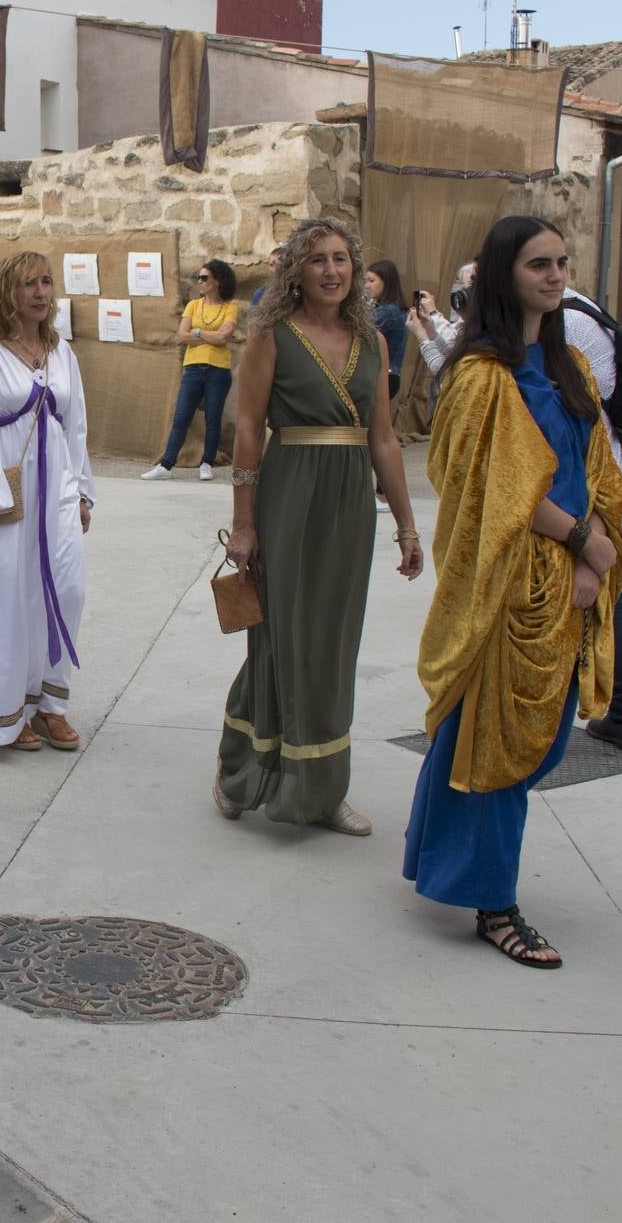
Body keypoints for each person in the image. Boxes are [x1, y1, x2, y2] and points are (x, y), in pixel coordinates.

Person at [404, 215, 622, 970]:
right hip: (510, 584)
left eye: (561, 262)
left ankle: (436, 857)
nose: (555, 275)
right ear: (503, 275)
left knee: (534, 739)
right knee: (498, 742)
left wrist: (594, 555)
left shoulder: (571, 371)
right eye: (538, 264)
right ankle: (493, 904)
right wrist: (581, 541)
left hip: (570, 580)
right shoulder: (477, 377)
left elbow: (598, 466)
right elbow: (490, 490)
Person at [212, 219, 422, 836]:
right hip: (288, 494)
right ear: (295, 271)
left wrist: (407, 526)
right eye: (317, 260)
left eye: (341, 259)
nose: (332, 271)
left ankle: (322, 791)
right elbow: (248, 431)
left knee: (333, 644)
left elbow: (384, 437)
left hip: (349, 501)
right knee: (278, 639)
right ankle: (240, 771)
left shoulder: (373, 340)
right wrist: (243, 526)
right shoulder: (270, 335)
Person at [0, 251, 97, 753]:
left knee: (66, 590)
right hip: (8, 493)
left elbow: (76, 427)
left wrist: (84, 491)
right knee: (8, 599)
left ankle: (51, 703)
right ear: (8, 290)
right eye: (30, 283)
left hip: (59, 492)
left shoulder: (61, 351)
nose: (41, 293)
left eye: (47, 283)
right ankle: (8, 712)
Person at [562, 291, 622, 753]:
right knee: (609, 595)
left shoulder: (562, 325)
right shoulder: (583, 310)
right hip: (610, 470)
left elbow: (587, 409)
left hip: (595, 481)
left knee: (604, 595)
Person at [140, 259, 240, 482]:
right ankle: (166, 465)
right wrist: (206, 335)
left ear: (218, 281)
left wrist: (196, 333)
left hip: (218, 370)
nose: (200, 282)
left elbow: (224, 337)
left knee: (213, 419)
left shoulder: (230, 308)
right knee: (181, 417)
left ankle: (207, 463)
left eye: (205, 278)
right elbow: (181, 335)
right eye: (199, 277)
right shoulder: (193, 305)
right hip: (193, 368)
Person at [364, 260, 409, 398]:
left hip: (384, 376)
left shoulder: (389, 311)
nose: (366, 286)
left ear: (387, 282)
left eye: (371, 281)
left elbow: (358, 330)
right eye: (365, 281)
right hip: (386, 375)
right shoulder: (390, 308)